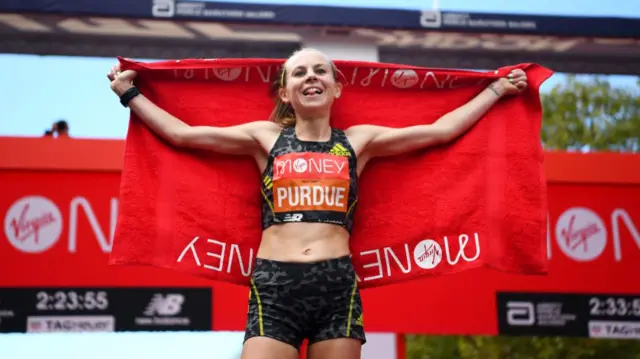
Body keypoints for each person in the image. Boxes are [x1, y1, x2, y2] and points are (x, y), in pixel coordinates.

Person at [107, 48, 528, 359]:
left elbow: (439, 131)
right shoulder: (264, 137)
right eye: (299, 72)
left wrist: (494, 90)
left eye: (320, 70)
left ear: (336, 87)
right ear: (286, 92)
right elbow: (182, 135)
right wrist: (131, 95)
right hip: (273, 287)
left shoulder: (358, 141)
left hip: (336, 288)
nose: (311, 76)